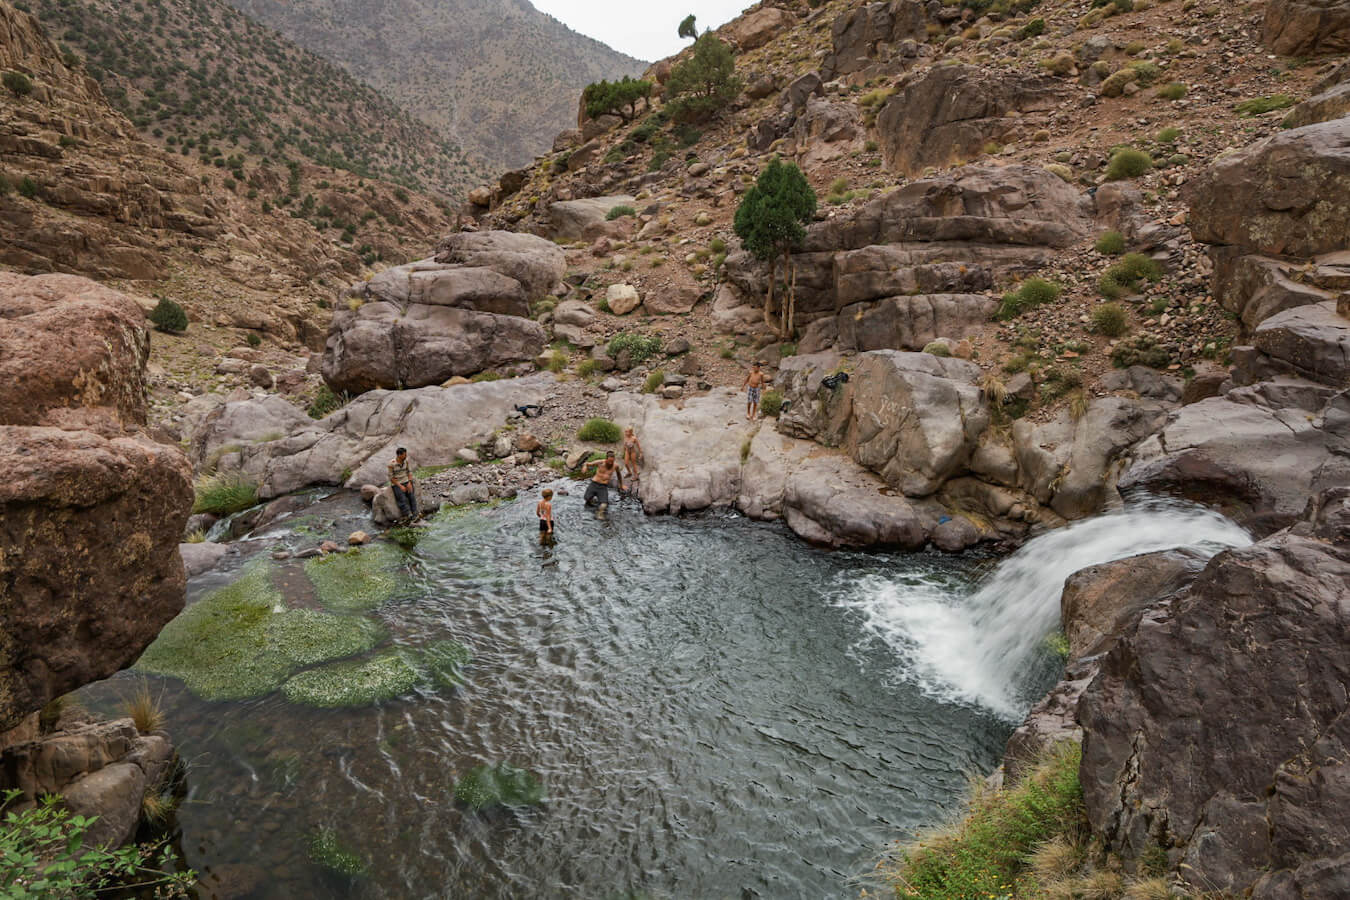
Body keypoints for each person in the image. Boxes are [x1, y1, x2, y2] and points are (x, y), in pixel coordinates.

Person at [581, 450, 623, 515]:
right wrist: (585, 467)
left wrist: (621, 485)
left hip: (603, 487)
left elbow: (619, 475)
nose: (610, 463)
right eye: (609, 461)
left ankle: (600, 513)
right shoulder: (600, 462)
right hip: (594, 484)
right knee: (586, 499)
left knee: (604, 505)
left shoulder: (615, 466)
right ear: (606, 459)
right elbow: (587, 463)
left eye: (612, 461)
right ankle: (592, 500)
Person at [387, 446, 419, 522]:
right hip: (397, 483)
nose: (406, 456)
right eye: (404, 455)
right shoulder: (391, 464)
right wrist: (400, 486)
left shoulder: (406, 462)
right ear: (399, 455)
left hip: (406, 481)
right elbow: (391, 478)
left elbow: (409, 472)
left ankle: (415, 513)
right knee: (402, 499)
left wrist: (409, 482)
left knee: (411, 496)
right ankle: (408, 514)